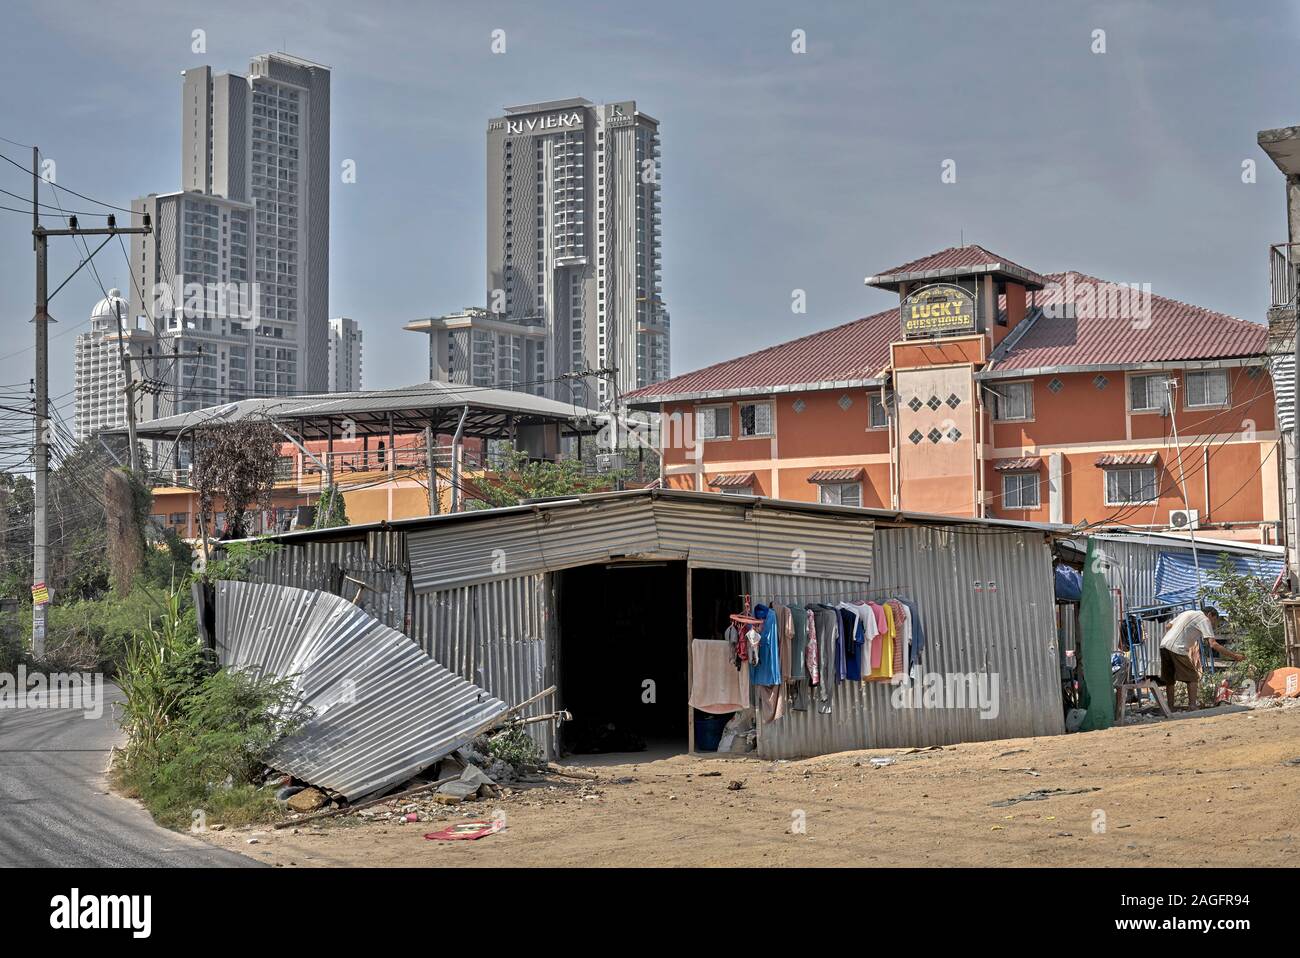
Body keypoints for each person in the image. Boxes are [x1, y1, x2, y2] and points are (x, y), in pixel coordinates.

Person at [1159, 606, 1243, 709]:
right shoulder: (1204, 619)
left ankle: (1170, 707)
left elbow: (1168, 626)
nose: (1213, 624)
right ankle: (1192, 705)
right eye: (1214, 621)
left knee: (1170, 679)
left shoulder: (1187, 613)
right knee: (1193, 677)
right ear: (1210, 615)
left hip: (1164, 645)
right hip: (1177, 648)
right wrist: (1234, 656)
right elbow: (1213, 644)